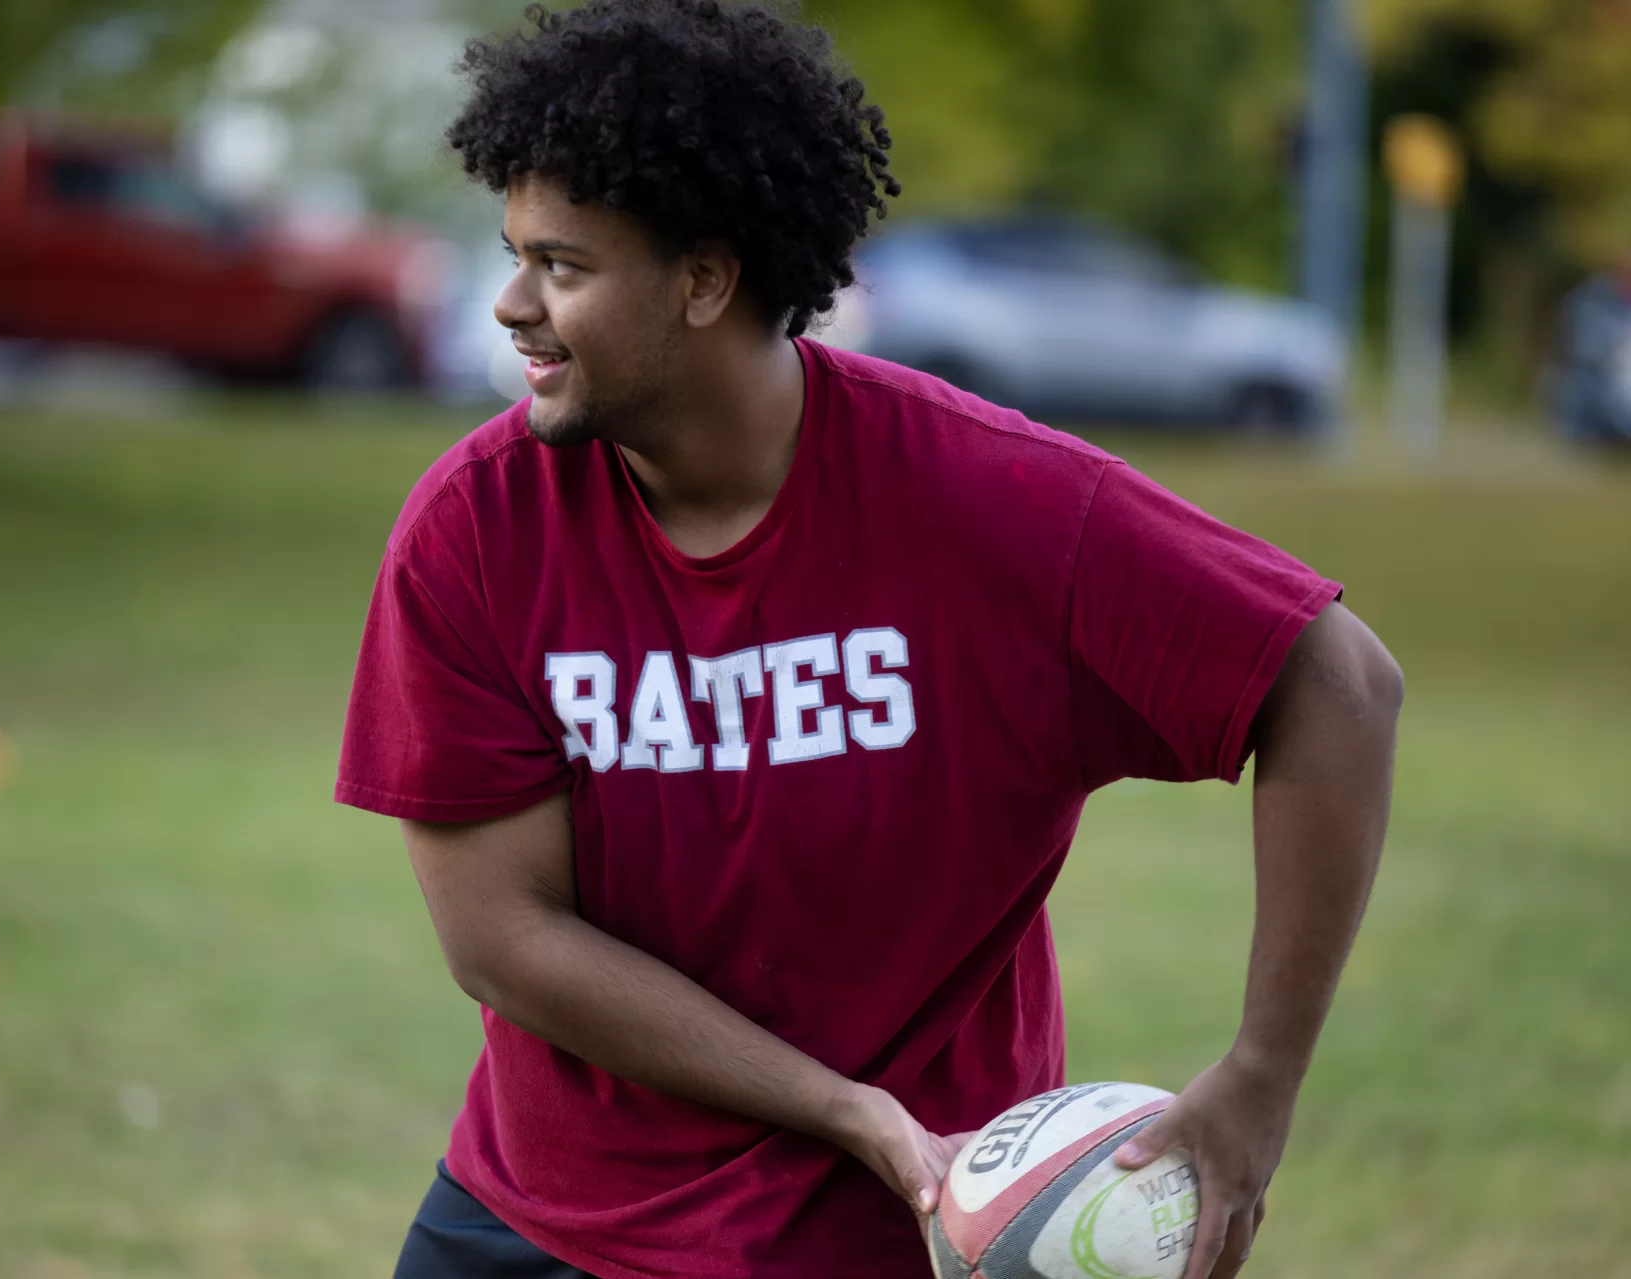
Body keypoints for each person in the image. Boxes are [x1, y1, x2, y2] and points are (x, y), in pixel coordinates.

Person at [334, 3, 1403, 1277]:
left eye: (561, 265)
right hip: (546, 1225)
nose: (510, 304)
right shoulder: (475, 529)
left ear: (704, 279)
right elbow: (502, 938)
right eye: (512, 254)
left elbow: (1333, 683)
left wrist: (1260, 1075)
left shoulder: (993, 504)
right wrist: (844, 1107)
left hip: (891, 1233)